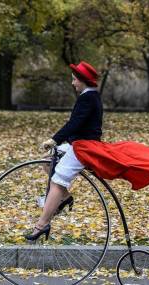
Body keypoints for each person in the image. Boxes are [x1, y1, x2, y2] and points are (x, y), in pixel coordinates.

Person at [25, 61, 102, 241]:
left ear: (83, 81)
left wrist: (54, 140)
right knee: (48, 161)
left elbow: (74, 124)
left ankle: (42, 224)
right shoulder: (89, 96)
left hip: (85, 147)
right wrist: (59, 144)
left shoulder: (88, 98)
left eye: (75, 80)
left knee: (57, 181)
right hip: (79, 142)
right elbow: (78, 126)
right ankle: (65, 198)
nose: (73, 83)